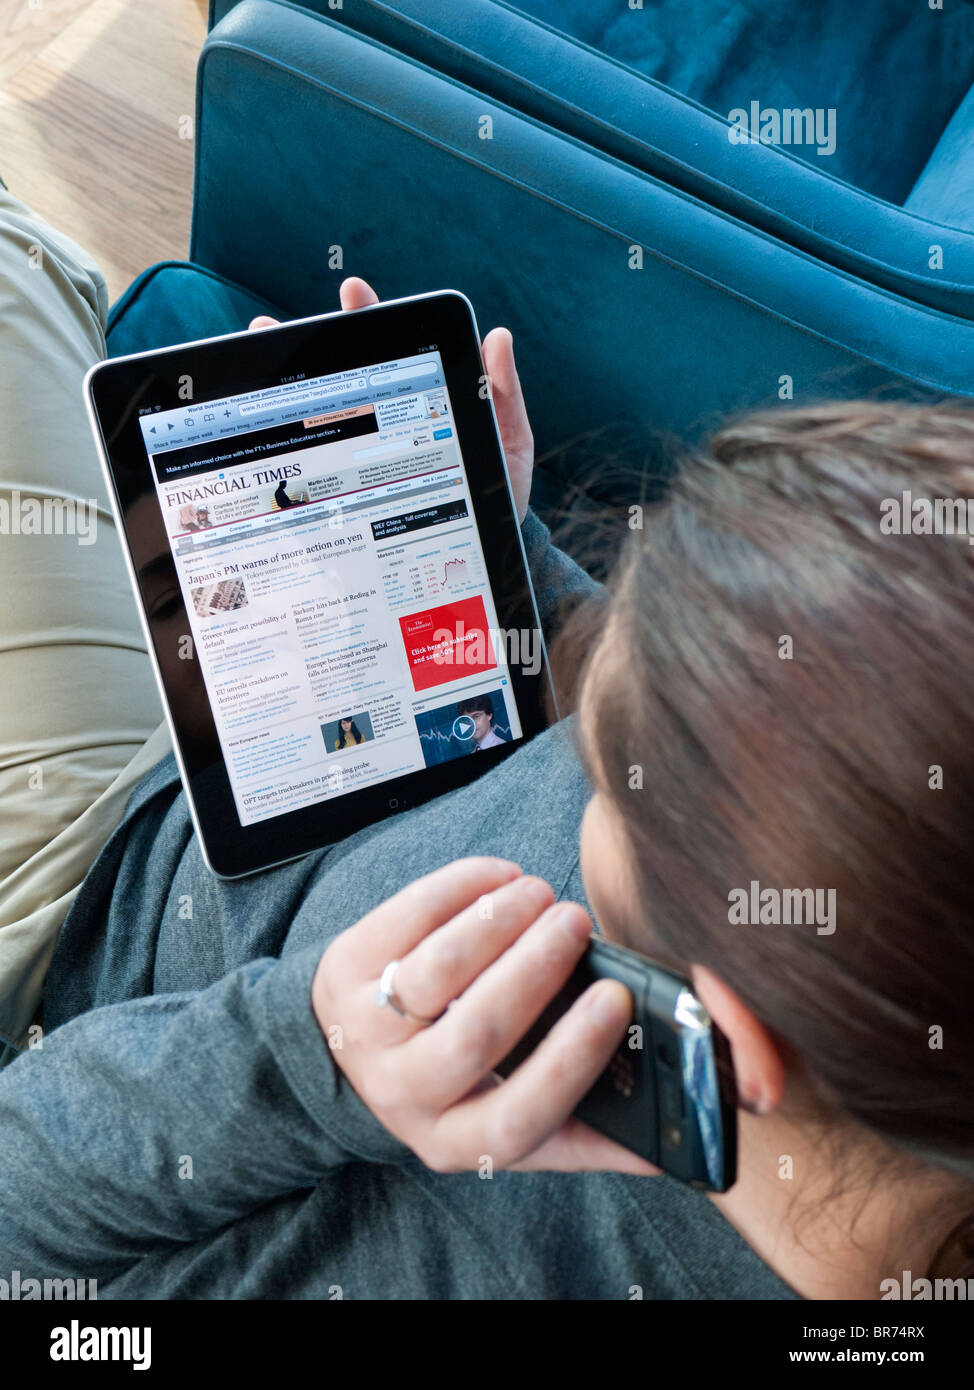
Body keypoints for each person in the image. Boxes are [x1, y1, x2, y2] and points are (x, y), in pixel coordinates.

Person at [0, 191, 971, 1301]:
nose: (589, 762)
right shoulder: (801, 932)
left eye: (606, 776)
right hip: (276, 768)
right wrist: (496, 557)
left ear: (729, 1045)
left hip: (77, 934)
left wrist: (308, 1062)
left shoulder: (452, 1252)